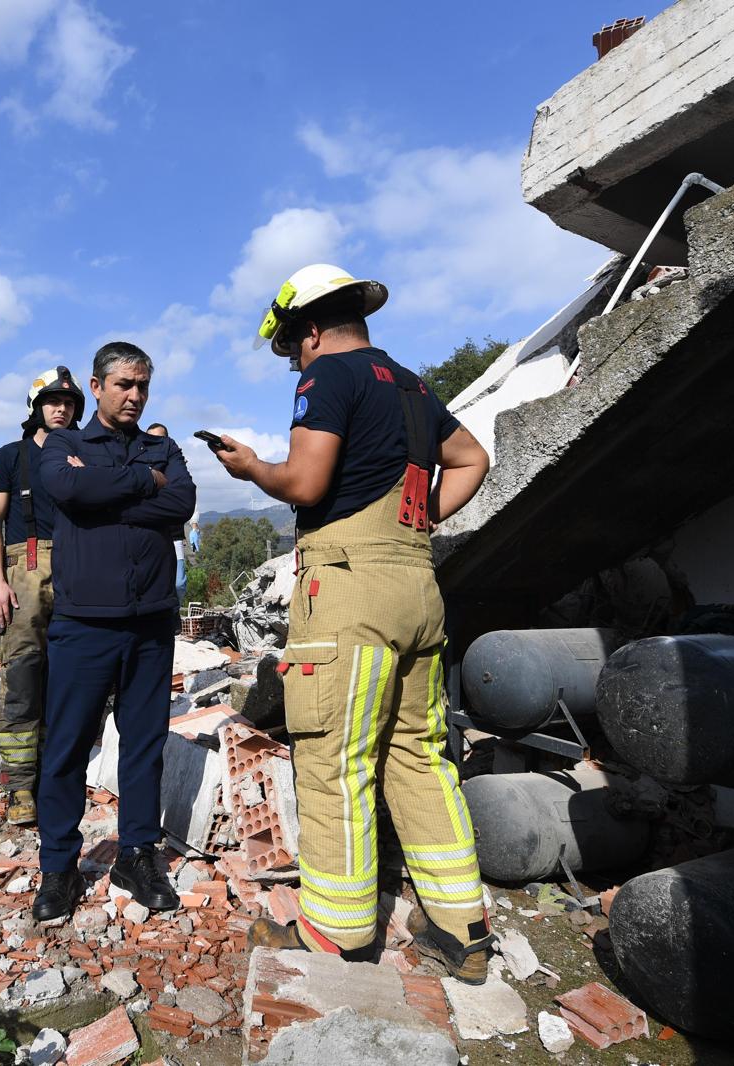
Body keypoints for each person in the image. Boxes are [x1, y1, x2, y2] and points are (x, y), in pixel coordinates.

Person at [207, 263, 494, 983]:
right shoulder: (412, 385)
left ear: (309, 330)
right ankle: (464, 930)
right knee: (422, 755)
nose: (294, 362)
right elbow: (473, 458)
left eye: (292, 348)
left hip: (348, 594)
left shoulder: (327, 377)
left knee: (335, 761)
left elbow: (304, 483)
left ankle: (337, 934)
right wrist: (419, 520)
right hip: (417, 586)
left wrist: (252, 469)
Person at [31, 342, 197, 922]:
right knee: (68, 746)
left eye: (142, 386)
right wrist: (143, 485)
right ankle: (58, 867)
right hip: (83, 624)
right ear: (97, 388)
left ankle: (136, 853)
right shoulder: (65, 444)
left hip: (151, 620)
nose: (134, 395)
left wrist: (113, 490)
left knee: (145, 744)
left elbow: (182, 502)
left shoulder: (163, 446)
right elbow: (70, 492)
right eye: (124, 384)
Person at [0, 367, 84, 826]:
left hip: (79, 567)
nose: (61, 408)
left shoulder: (85, 452)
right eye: (52, 401)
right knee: (22, 674)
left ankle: (58, 775)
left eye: (68, 402)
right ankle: (20, 786)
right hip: (23, 569)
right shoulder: (9, 456)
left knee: (71, 678)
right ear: (36, 407)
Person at [144, 422, 188, 604]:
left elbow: (186, 498)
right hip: (150, 535)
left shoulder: (176, 467)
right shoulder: (141, 468)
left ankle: (174, 611)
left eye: (159, 438)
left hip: (174, 537)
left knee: (177, 583)